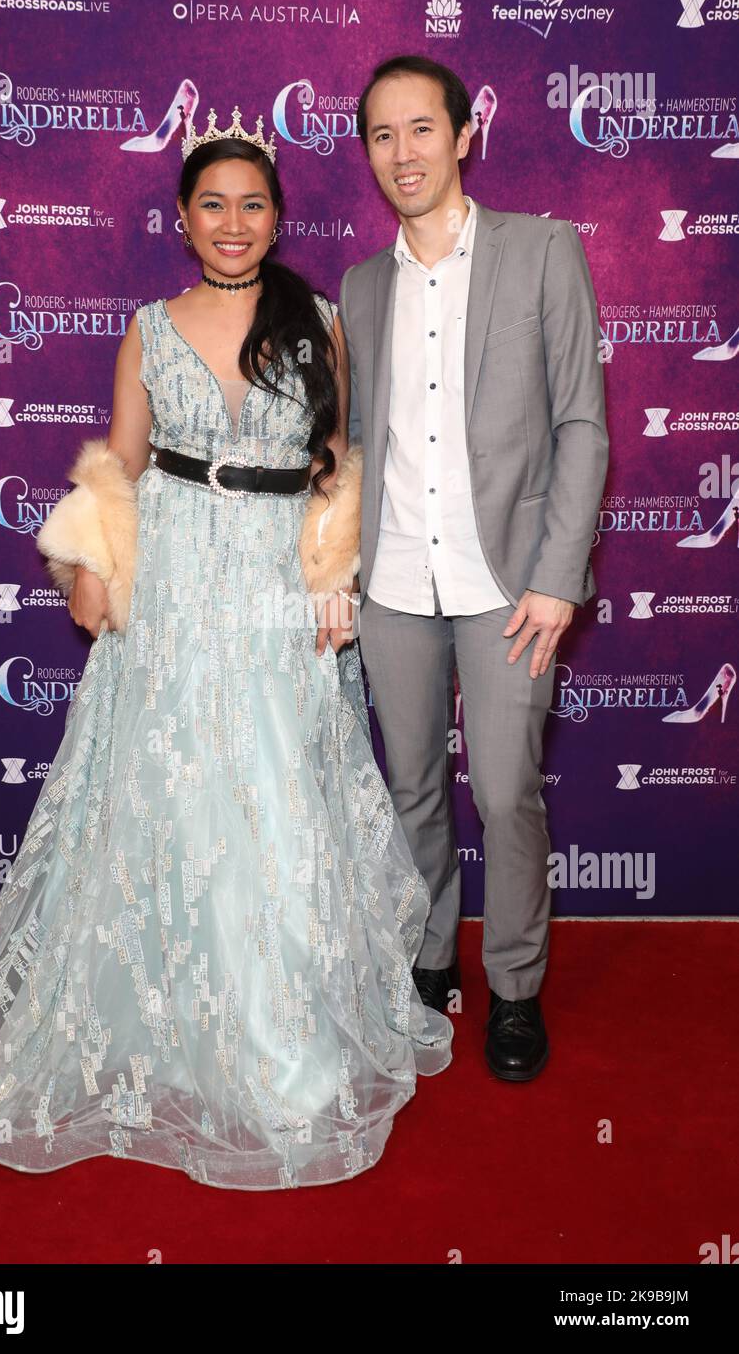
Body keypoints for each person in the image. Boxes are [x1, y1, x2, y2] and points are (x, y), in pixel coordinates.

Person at [0, 103, 452, 1189]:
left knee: (277, 786)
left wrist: (333, 573)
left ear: (277, 216)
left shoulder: (318, 319)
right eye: (213, 204)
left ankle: (283, 1037)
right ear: (182, 218)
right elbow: (120, 460)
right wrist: (96, 561)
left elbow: (335, 460)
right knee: (168, 789)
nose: (233, 222)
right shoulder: (150, 326)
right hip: (178, 572)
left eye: (252, 203)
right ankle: (152, 1022)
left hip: (273, 578)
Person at [340, 56, 609, 1081]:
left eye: (419, 129)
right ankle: (424, 961)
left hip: (510, 586)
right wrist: (341, 566)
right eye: (379, 134)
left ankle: (511, 987)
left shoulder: (544, 252)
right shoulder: (361, 287)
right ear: (366, 153)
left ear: (462, 135)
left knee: (501, 792)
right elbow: (354, 444)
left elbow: (579, 425)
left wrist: (556, 575)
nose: (401, 152)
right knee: (410, 789)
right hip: (394, 582)